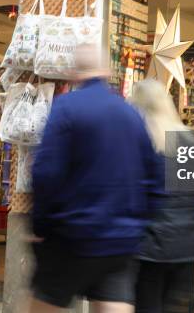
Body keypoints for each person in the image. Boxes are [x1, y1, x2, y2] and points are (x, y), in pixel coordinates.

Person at [29, 45, 164, 313]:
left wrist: (41, 225)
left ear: (74, 73)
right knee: (114, 303)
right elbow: (156, 176)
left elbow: (46, 172)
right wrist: (140, 223)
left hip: (72, 236)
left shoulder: (67, 107)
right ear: (108, 71)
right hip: (121, 240)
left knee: (46, 303)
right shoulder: (131, 114)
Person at [129, 79, 194, 312]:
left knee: (147, 303)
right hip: (187, 243)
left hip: (152, 245)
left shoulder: (144, 140)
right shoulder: (188, 139)